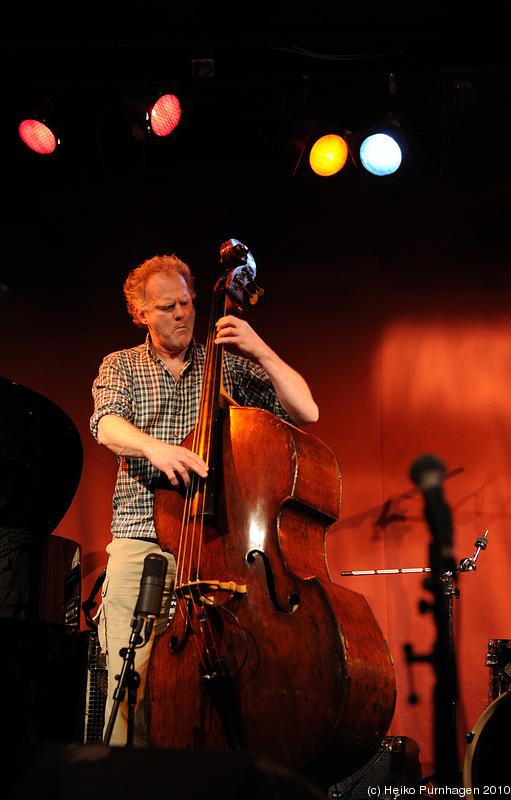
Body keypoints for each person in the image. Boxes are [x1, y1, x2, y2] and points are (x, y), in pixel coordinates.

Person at [90, 253, 318, 746]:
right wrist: (156, 448)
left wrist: (261, 350)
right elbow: (105, 424)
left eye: (188, 303)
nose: (182, 314)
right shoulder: (122, 366)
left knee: (228, 681)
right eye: (167, 306)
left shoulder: (226, 368)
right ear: (141, 313)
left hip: (219, 548)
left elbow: (307, 410)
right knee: (126, 688)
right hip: (142, 542)